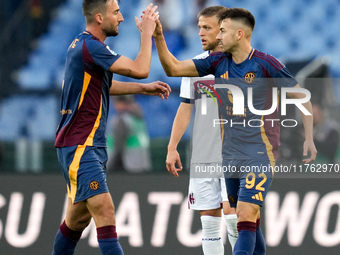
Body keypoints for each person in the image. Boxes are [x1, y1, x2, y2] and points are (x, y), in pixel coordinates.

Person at [154, 7, 317, 255]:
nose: (217, 36)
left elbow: (302, 97)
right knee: (248, 220)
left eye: (221, 31)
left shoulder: (266, 64)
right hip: (229, 154)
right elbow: (173, 69)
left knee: (242, 215)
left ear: (239, 34)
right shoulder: (216, 62)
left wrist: (309, 137)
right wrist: (158, 37)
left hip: (259, 153)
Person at [52, 1, 171, 255]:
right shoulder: (91, 47)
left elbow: (103, 86)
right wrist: (147, 33)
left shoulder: (85, 46)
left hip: (86, 144)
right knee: (105, 210)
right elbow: (141, 69)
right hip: (80, 145)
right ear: (98, 17)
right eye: (116, 13)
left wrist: (143, 88)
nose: (121, 18)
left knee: (76, 222)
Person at [165, 6, 238, 255]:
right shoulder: (196, 67)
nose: (200, 33)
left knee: (234, 218)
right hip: (204, 155)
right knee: (209, 222)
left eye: (207, 27)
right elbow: (185, 107)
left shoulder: (241, 64)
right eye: (199, 27)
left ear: (223, 29)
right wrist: (172, 146)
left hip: (234, 154)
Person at [108, 95, 151, 173]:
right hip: (142, 159)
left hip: (129, 163)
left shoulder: (122, 119)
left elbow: (118, 145)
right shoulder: (138, 117)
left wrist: (110, 165)